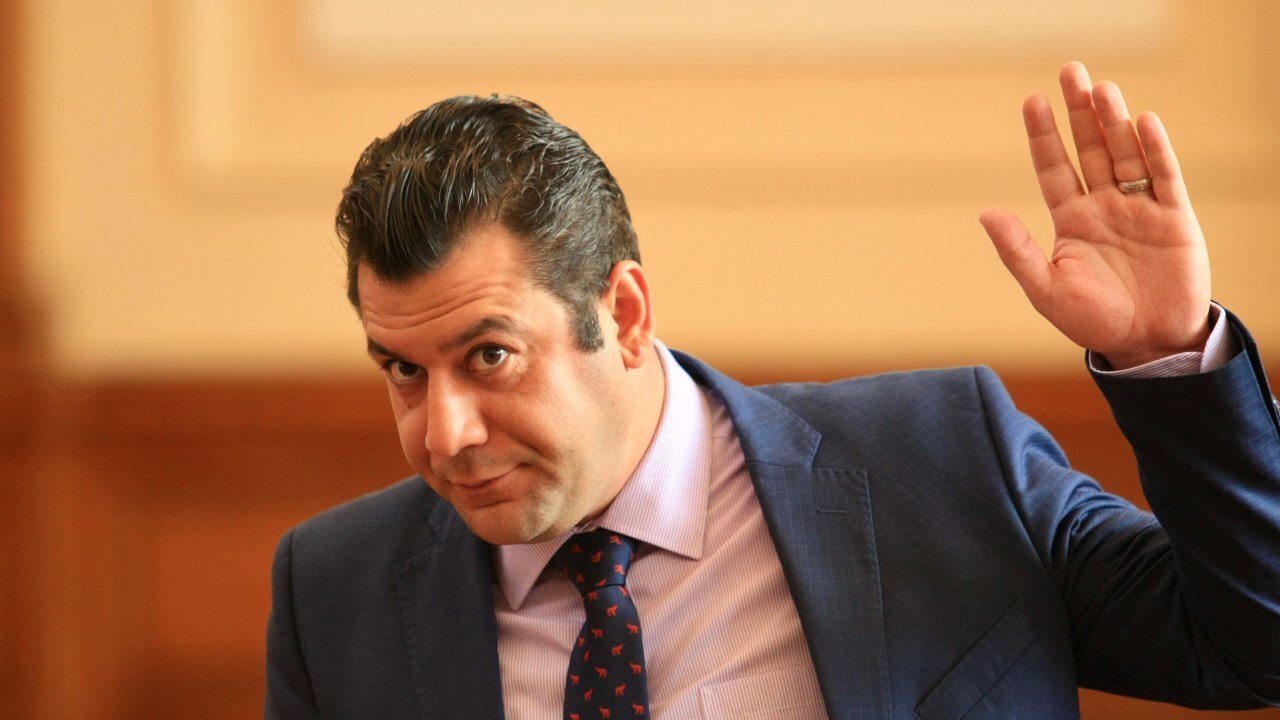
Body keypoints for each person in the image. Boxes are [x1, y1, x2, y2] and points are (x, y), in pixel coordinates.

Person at [265, 62, 1280, 719]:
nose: (444, 434)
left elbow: (1254, 648)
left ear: (623, 314)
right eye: (403, 371)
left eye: (488, 357)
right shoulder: (334, 590)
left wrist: (1167, 353)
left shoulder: (938, 463)